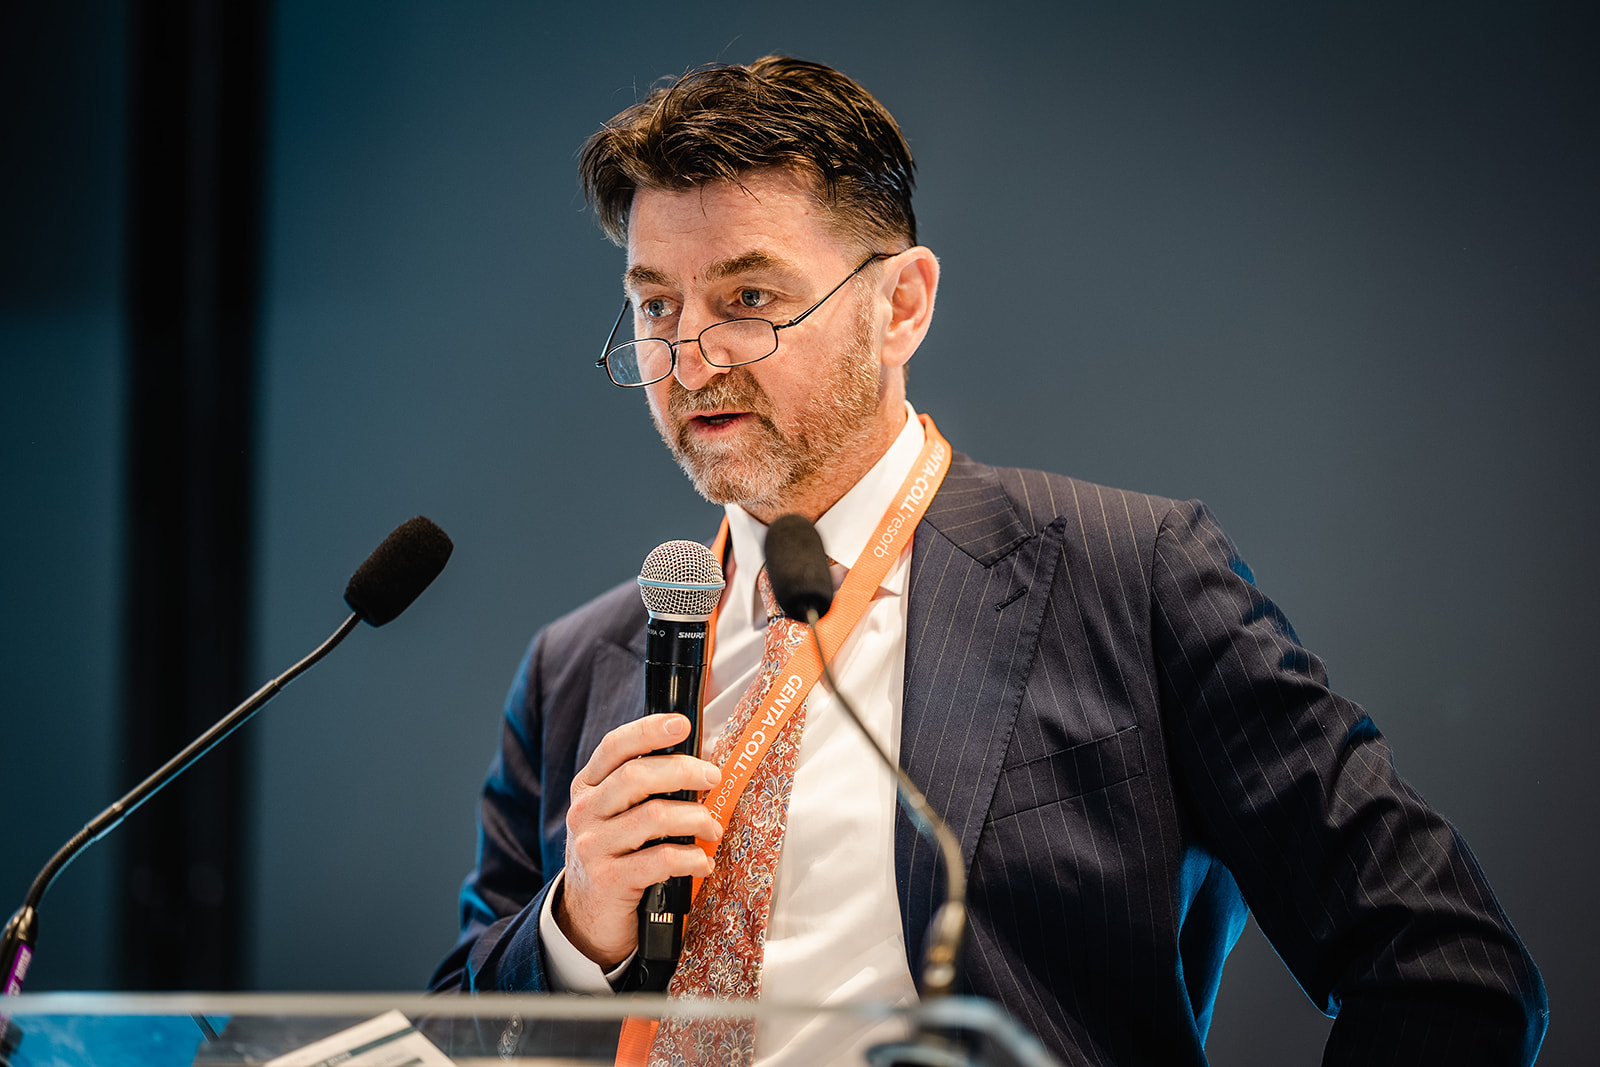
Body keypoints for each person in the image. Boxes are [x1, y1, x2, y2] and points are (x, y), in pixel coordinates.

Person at [430, 56, 1547, 1066]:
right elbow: (450, 1035)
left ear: (900, 305)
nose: (689, 359)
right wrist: (572, 933)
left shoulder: (1132, 576)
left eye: (749, 300)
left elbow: (1448, 968)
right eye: (655, 306)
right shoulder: (574, 666)